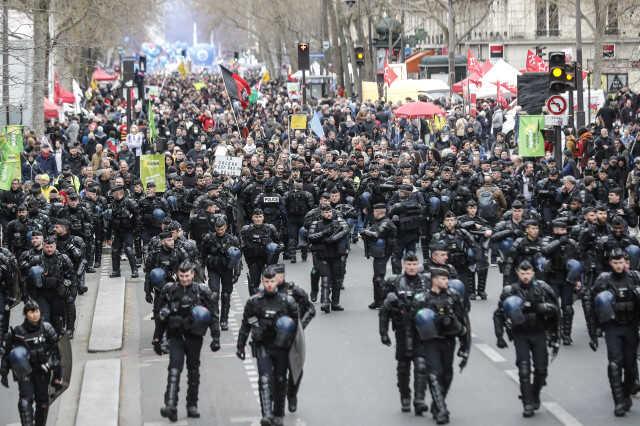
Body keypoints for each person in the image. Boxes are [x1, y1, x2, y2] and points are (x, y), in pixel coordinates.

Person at [494, 260, 560, 418]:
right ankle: (527, 403)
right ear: (517, 273)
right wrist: (499, 335)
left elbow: (556, 312)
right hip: (520, 334)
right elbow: (499, 314)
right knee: (523, 369)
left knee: (541, 369)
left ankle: (534, 394)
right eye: (522, 273)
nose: (525, 276)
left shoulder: (542, 289)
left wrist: (554, 335)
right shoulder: (510, 290)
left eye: (528, 273)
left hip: (539, 332)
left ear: (533, 273)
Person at [156, 261, 220, 421]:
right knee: (174, 369)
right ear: (178, 274)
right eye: (182, 275)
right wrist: (157, 338)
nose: (184, 278)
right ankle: (171, 405)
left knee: (193, 371)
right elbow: (161, 316)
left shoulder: (202, 291)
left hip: (194, 337)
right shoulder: (169, 290)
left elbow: (213, 315)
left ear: (193, 274)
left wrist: (216, 337)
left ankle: (192, 405)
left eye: (187, 275)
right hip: (175, 336)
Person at [236, 268, 299, 426]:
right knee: (264, 379)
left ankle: (278, 414)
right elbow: (246, 323)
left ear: (276, 282)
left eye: (272, 281)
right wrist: (240, 346)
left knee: (279, 380)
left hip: (281, 347)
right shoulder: (254, 302)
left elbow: (296, 327)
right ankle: (267, 414)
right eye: (267, 281)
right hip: (263, 345)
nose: (269, 285)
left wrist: (292, 346)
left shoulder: (287, 302)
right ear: (263, 282)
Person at [583, 250, 640, 417]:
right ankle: (619, 401)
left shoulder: (635, 278)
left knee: (630, 367)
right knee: (615, 364)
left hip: (631, 326)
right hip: (613, 328)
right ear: (610, 263)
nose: (619, 266)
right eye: (615, 263)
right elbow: (591, 305)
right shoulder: (603, 281)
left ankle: (626, 392)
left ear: (626, 262)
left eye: (621, 262)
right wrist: (593, 333)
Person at [411, 267, 470, 424]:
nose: (446, 282)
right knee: (434, 373)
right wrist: (413, 346)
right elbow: (412, 324)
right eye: (442, 279)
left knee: (447, 375)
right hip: (430, 342)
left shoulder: (454, 297)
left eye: (447, 279)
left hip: (448, 340)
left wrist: (465, 345)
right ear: (434, 280)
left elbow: (464, 321)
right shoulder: (422, 299)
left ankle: (437, 404)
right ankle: (442, 410)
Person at [379, 252, 429, 413]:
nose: (412, 267)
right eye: (409, 264)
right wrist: (383, 332)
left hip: (422, 329)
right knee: (403, 366)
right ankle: (405, 396)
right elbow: (385, 309)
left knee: (421, 364)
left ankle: (419, 399)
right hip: (402, 329)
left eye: (414, 264)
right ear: (404, 265)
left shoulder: (426, 281)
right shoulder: (395, 282)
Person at [0, 300, 63, 426]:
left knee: (43, 404)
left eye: (37, 311)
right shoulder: (17, 332)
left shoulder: (47, 328)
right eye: (31, 311)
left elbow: (57, 352)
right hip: (25, 373)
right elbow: (8, 355)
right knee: (25, 402)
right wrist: (4, 372)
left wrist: (56, 374)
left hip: (42, 371)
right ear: (25, 314)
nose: (35, 314)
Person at [273, 264, 315, 413]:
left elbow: (311, 309)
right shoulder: (267, 292)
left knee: (296, 369)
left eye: (277, 275)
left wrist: (300, 326)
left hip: (293, 336)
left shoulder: (294, 291)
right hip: (274, 336)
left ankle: (292, 395)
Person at [200, 214, 241, 330]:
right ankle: (215, 318)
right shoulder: (208, 239)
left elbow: (238, 257)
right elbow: (202, 256)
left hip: (227, 269)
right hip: (213, 269)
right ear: (215, 228)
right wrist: (201, 270)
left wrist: (237, 273)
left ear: (226, 227)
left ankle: (224, 320)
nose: (220, 231)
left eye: (222, 228)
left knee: (226, 295)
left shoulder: (232, 239)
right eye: (218, 229)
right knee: (214, 294)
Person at [307, 205, 350, 313]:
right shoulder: (316, 224)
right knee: (325, 279)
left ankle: (335, 303)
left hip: (336, 255)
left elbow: (346, 230)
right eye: (326, 212)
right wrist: (324, 233)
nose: (328, 214)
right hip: (322, 256)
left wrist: (333, 238)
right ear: (321, 213)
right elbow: (311, 237)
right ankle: (325, 302)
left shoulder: (338, 223)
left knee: (337, 280)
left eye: (330, 212)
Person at [360, 203, 397, 309]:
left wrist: (365, 232)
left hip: (384, 252)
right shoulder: (379, 221)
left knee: (379, 277)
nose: (373, 213)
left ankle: (384, 300)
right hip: (379, 253)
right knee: (376, 277)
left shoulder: (385, 222)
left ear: (378, 212)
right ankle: (377, 301)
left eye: (375, 211)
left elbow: (377, 234)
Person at [240, 209, 281, 295]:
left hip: (268, 260)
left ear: (263, 218)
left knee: (272, 285)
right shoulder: (246, 230)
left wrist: (275, 248)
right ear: (252, 218)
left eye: (260, 217)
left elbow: (279, 243)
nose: (258, 219)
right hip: (253, 260)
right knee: (254, 285)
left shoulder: (270, 228)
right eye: (256, 217)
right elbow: (240, 246)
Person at [106, 185, 139, 278]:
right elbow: (109, 222)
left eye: (113, 193)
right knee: (115, 250)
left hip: (128, 230)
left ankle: (135, 270)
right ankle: (116, 271)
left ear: (118, 192)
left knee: (128, 249)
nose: (112, 195)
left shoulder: (130, 202)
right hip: (117, 231)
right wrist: (108, 237)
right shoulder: (113, 204)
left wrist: (136, 232)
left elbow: (138, 218)